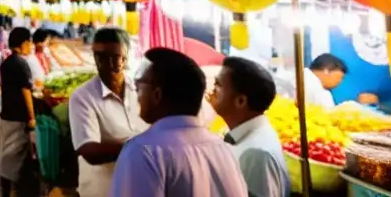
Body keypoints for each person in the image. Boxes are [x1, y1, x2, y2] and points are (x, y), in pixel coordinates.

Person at [110, 48, 247, 196]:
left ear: (157, 94)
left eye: (138, 86)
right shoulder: (223, 149)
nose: (135, 93)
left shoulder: (144, 151)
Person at [68, 27, 147, 197]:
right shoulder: (82, 97)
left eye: (115, 58)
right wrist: (139, 146)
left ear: (126, 58)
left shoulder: (141, 90)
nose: (107, 65)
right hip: (102, 190)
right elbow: (89, 150)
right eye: (100, 57)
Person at [212, 57, 290, 197]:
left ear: (241, 101)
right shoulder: (241, 136)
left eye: (218, 85)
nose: (212, 91)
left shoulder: (256, 154)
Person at [0, 27, 37, 197]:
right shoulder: (21, 64)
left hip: (6, 113)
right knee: (14, 154)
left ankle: (7, 186)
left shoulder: (6, 62)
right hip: (17, 116)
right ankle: (11, 188)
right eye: (29, 43)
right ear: (23, 43)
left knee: (6, 151)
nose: (31, 47)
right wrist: (32, 117)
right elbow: (26, 92)